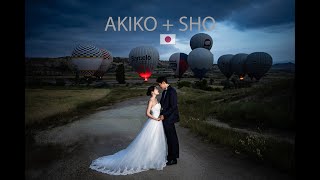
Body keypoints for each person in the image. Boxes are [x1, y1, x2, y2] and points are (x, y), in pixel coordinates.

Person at [89, 86, 167, 175]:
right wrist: (155, 118)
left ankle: (153, 157)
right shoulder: (151, 100)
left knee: (155, 140)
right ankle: (147, 158)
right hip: (153, 122)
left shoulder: (156, 100)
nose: (158, 90)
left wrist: (161, 116)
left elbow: (158, 111)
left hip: (158, 123)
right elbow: (147, 113)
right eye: (156, 89)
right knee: (149, 140)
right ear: (152, 92)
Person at [156, 76, 180, 165]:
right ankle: (170, 156)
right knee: (169, 138)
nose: (159, 86)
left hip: (170, 118)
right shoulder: (165, 92)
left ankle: (173, 159)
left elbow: (173, 107)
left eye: (159, 84)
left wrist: (164, 115)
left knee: (172, 138)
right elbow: (162, 105)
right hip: (166, 118)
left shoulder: (172, 91)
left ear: (163, 82)